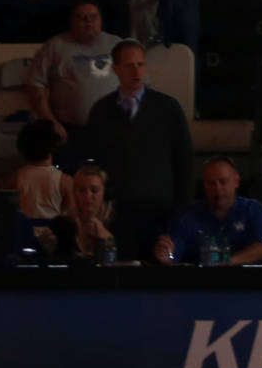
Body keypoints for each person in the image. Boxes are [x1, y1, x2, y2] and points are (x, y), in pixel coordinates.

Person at [77, 40, 196, 261]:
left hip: (159, 212)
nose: (136, 71)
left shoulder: (168, 108)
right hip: (116, 214)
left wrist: (180, 211)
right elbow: (91, 162)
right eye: (130, 65)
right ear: (116, 68)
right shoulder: (101, 111)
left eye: (141, 64)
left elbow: (185, 162)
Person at [27, 1, 127, 144]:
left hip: (114, 130)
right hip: (71, 131)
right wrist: (51, 122)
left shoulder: (117, 44)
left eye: (94, 17)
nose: (89, 22)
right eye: (82, 17)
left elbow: (136, 80)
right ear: (72, 21)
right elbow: (36, 85)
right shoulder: (55, 46)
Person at [162, 156, 262, 266]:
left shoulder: (252, 210)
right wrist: (167, 255)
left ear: (236, 181)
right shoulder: (187, 216)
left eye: (223, 181)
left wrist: (226, 262)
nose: (217, 188)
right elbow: (172, 254)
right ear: (204, 186)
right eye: (211, 183)